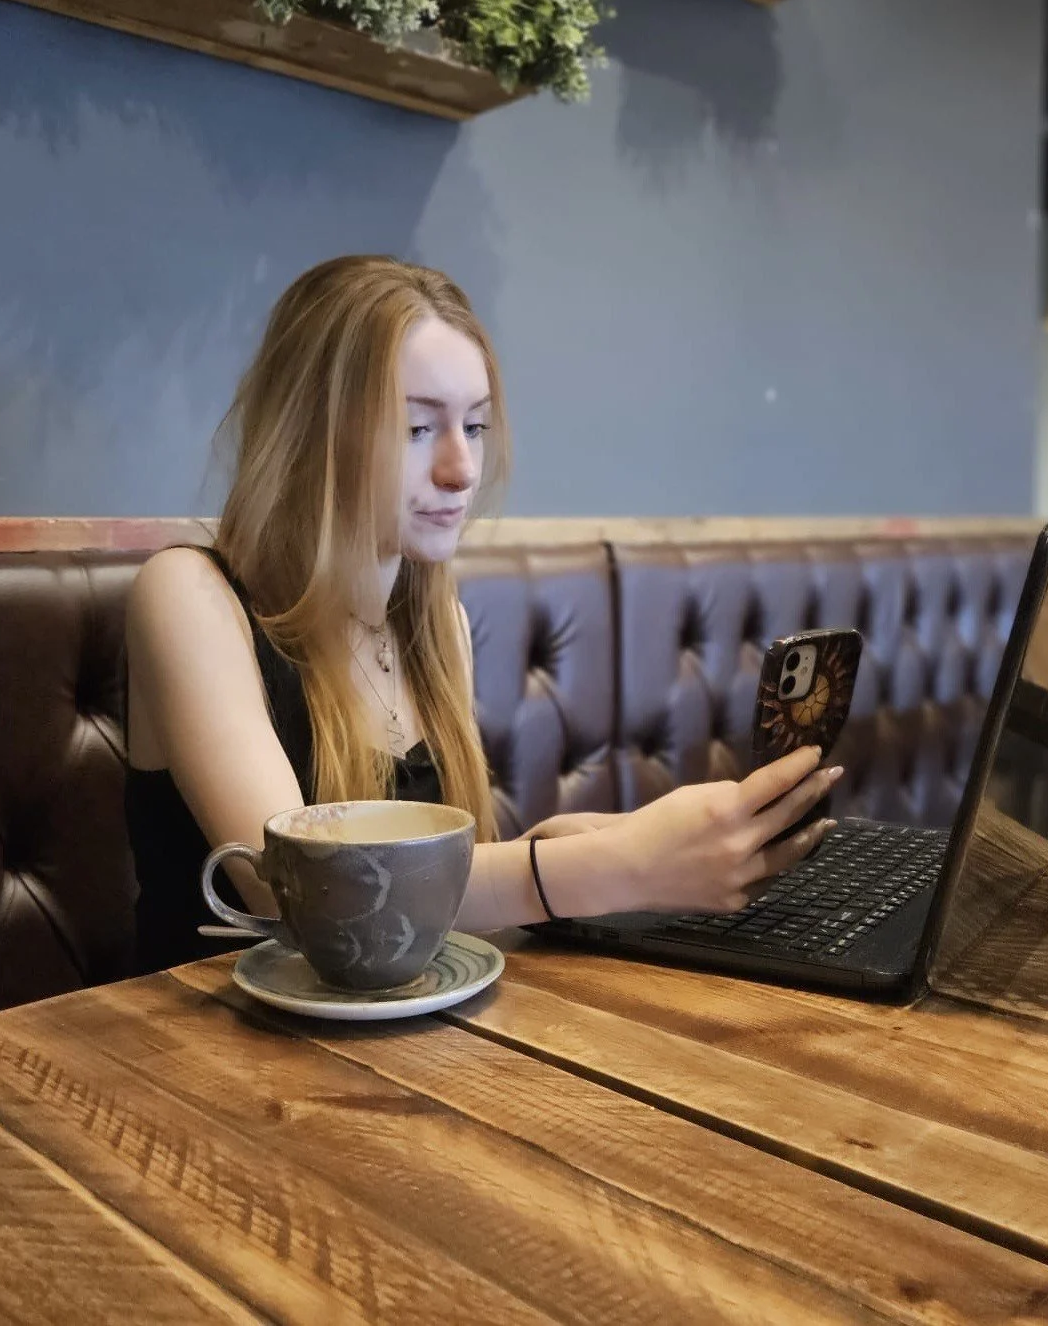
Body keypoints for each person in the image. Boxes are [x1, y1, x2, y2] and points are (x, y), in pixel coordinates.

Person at [124, 255, 839, 973]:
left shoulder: (437, 626)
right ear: (311, 431)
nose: (461, 469)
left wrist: (567, 849)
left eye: (474, 426)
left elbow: (425, 910)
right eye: (415, 429)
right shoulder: (188, 596)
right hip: (197, 1051)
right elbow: (299, 890)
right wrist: (613, 866)